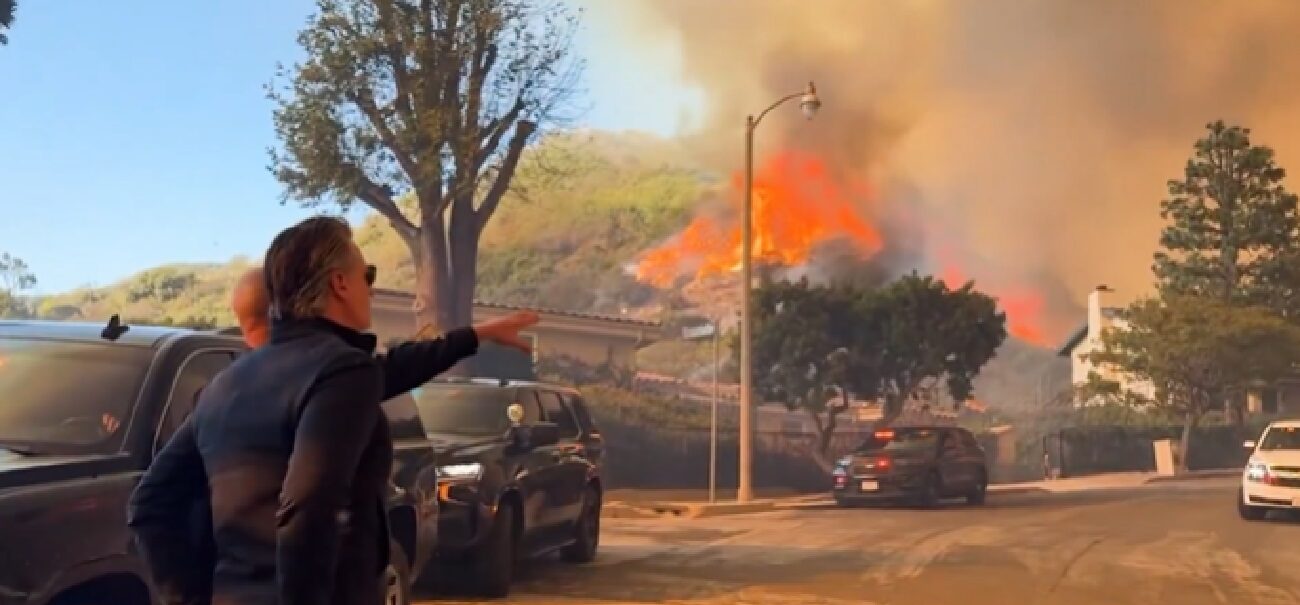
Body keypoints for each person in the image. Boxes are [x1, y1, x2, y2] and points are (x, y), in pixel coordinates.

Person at [128, 216, 537, 605]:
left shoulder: (228, 381)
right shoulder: (341, 370)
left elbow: (149, 502)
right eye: (367, 275)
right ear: (340, 283)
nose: (371, 289)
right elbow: (308, 508)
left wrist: (191, 598)